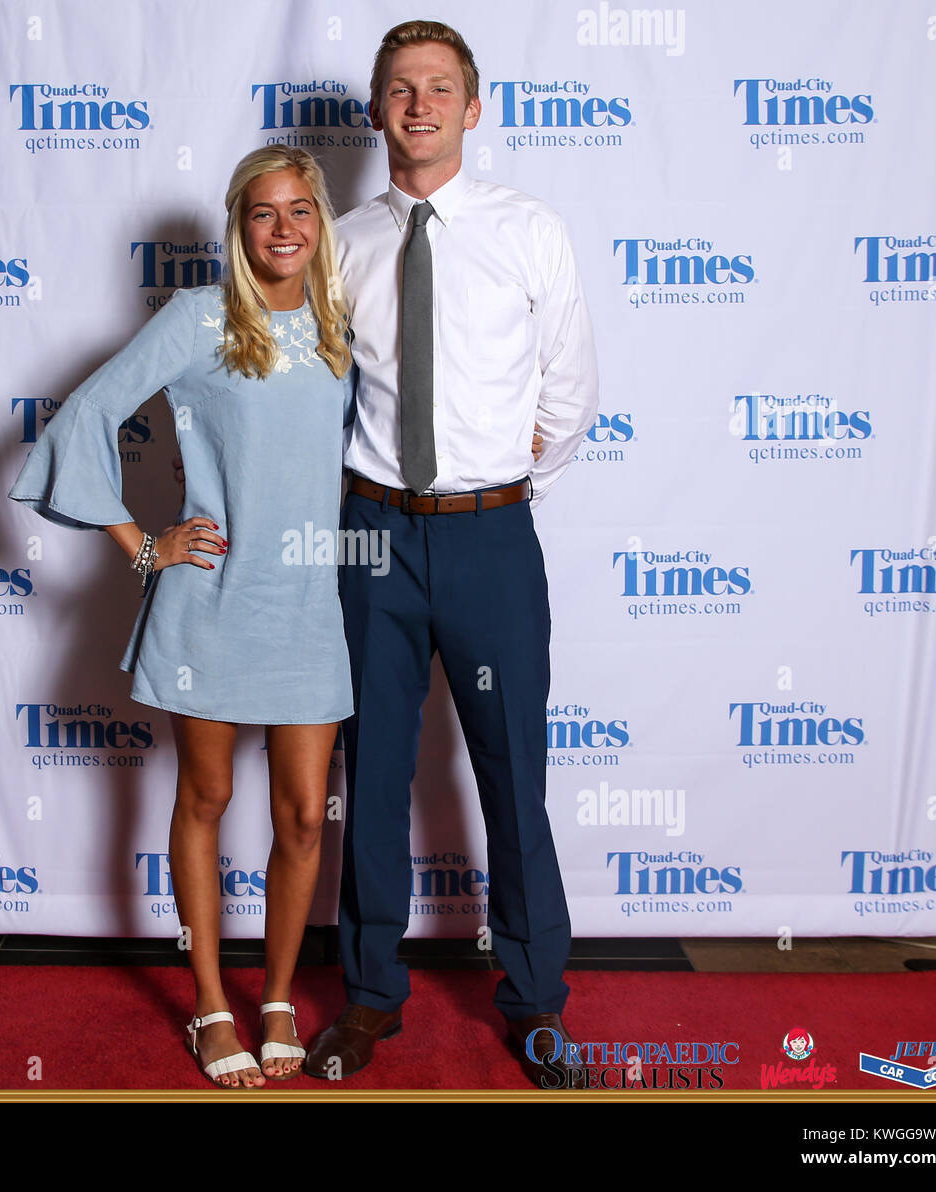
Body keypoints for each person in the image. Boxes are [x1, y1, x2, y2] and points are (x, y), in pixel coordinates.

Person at [9, 146, 354, 1088]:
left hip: (310, 606)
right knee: (204, 799)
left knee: (303, 820)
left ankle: (277, 998)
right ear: (237, 228)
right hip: (210, 605)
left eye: (300, 211)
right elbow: (86, 413)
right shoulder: (203, 318)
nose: (283, 228)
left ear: (322, 223)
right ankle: (209, 1000)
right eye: (261, 213)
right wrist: (145, 545)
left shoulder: (342, 322)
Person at [303, 20, 599, 1087]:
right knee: (370, 774)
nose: (418, 104)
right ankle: (370, 997)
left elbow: (567, 394)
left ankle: (535, 1000)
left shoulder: (530, 232)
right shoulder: (339, 242)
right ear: (377, 111)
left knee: (513, 777)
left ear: (472, 109)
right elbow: (314, 398)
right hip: (371, 538)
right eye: (399, 88)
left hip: (490, 539)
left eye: (439, 88)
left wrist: (492, 496)